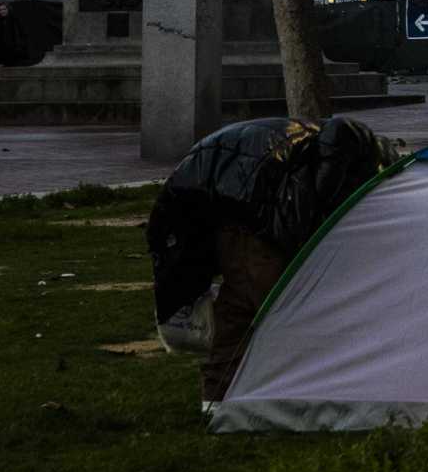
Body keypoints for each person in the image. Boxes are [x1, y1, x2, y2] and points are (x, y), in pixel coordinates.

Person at [146, 117, 396, 406]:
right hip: (243, 207)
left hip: (231, 198)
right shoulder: (322, 171)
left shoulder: (316, 154)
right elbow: (297, 224)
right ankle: (291, 393)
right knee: (272, 303)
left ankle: (222, 397)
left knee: (249, 304)